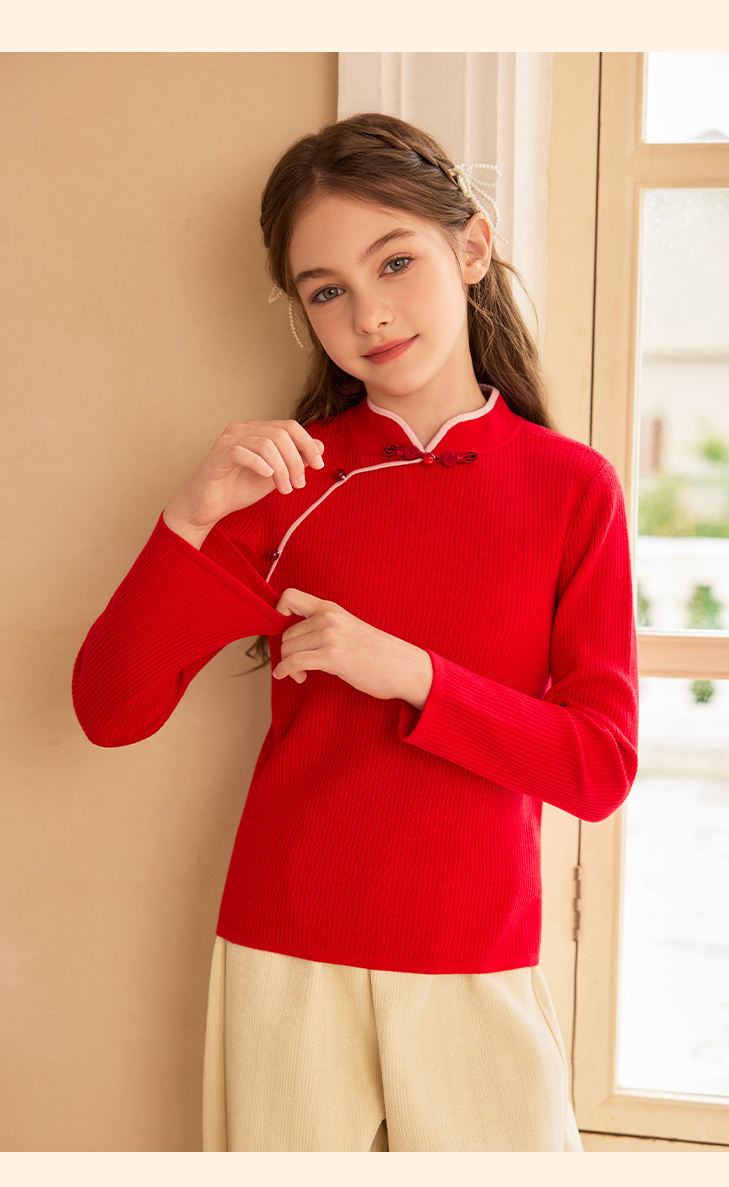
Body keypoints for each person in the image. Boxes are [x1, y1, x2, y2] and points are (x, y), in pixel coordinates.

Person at [72, 112, 639, 1152]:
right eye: (326, 290)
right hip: (288, 950)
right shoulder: (286, 484)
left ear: (471, 248)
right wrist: (190, 517)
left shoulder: (572, 488)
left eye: (396, 262)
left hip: (475, 955)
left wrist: (409, 672)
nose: (369, 312)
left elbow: (598, 768)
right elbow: (110, 709)